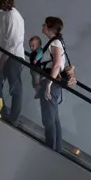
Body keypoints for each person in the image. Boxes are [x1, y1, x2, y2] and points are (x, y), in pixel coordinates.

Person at [37, 17, 67, 153]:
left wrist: (48, 83)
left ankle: (51, 149)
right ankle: (56, 149)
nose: (42, 25)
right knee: (54, 118)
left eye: (45, 24)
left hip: (51, 83)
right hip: (55, 84)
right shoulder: (57, 42)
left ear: (49, 28)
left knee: (49, 118)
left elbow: (56, 64)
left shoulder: (55, 43)